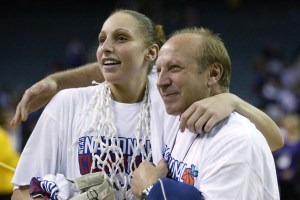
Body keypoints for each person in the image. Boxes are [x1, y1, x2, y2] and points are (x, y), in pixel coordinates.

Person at [11, 9, 283, 199]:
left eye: (120, 38)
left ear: (150, 52)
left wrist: (232, 100)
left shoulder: (170, 103)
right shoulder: (67, 104)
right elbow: (21, 192)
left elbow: (269, 140)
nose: (106, 47)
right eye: (101, 39)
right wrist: (58, 82)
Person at [131, 27, 279, 199]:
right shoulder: (177, 116)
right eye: (158, 70)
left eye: (174, 67)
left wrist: (151, 190)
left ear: (213, 73)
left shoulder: (236, 141)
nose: (160, 82)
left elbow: (274, 140)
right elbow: (122, 75)